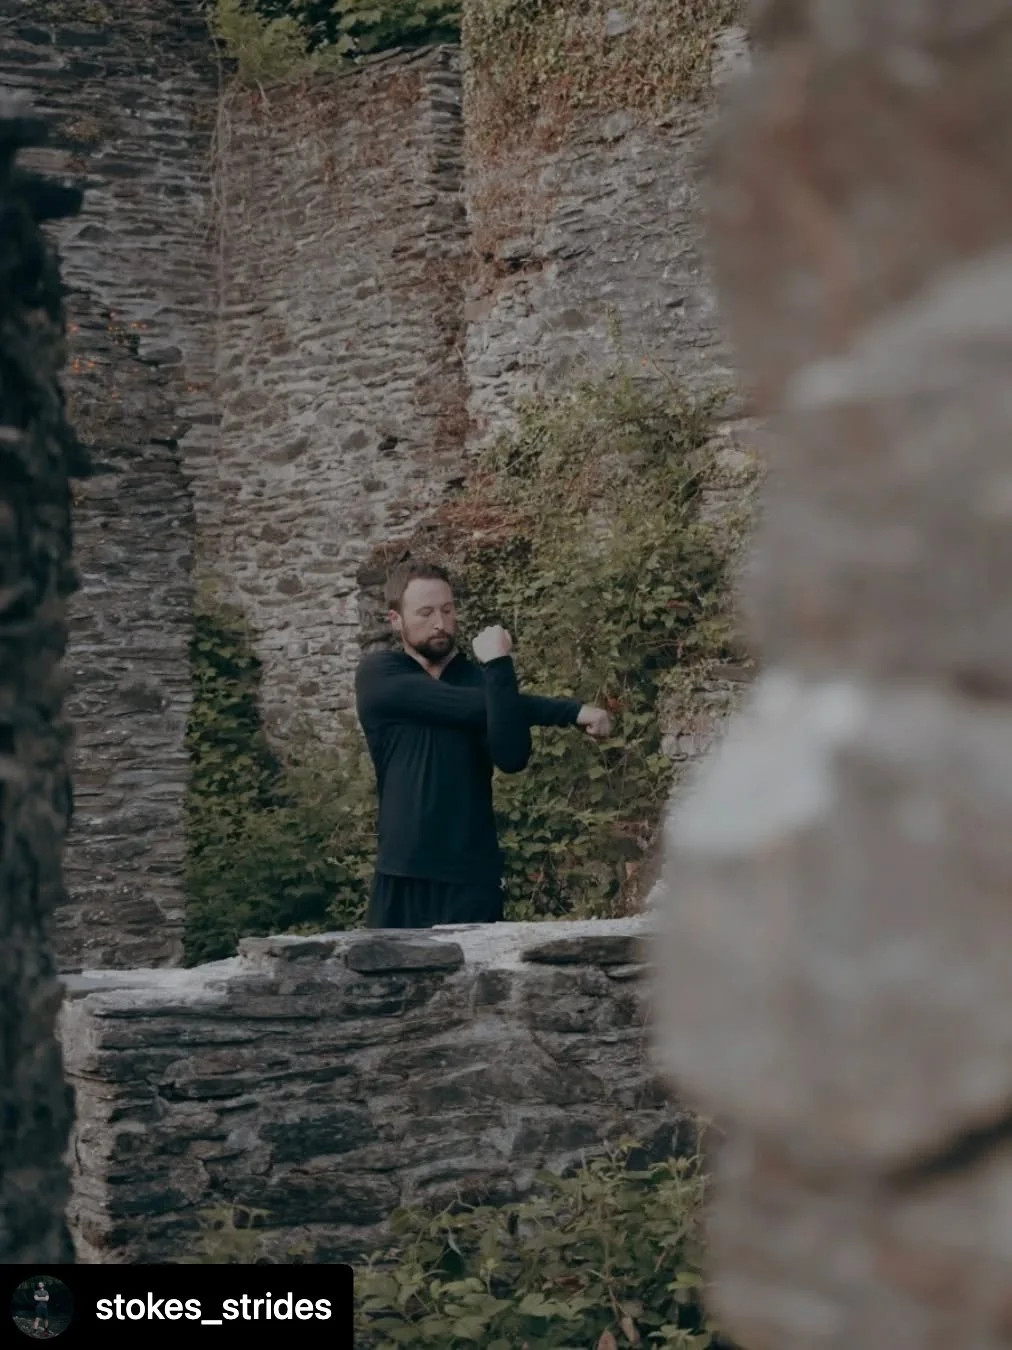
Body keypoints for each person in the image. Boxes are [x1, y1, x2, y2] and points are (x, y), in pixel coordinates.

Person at [355, 561, 613, 929]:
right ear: (396, 620)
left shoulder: (485, 681)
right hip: (400, 876)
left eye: (447, 610)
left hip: (472, 879)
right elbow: (465, 705)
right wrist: (570, 711)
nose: (440, 623)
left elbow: (512, 758)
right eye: (425, 613)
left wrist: (499, 664)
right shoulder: (380, 675)